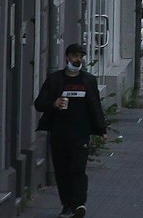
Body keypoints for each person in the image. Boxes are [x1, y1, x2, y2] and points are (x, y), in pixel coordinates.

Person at [34, 43, 107, 218]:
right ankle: (67, 205)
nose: (78, 59)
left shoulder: (88, 80)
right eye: (75, 56)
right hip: (59, 132)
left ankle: (79, 204)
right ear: (67, 57)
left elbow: (95, 106)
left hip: (80, 133)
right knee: (62, 170)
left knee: (78, 169)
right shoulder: (55, 80)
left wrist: (101, 129)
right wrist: (54, 103)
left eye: (81, 56)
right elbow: (39, 103)